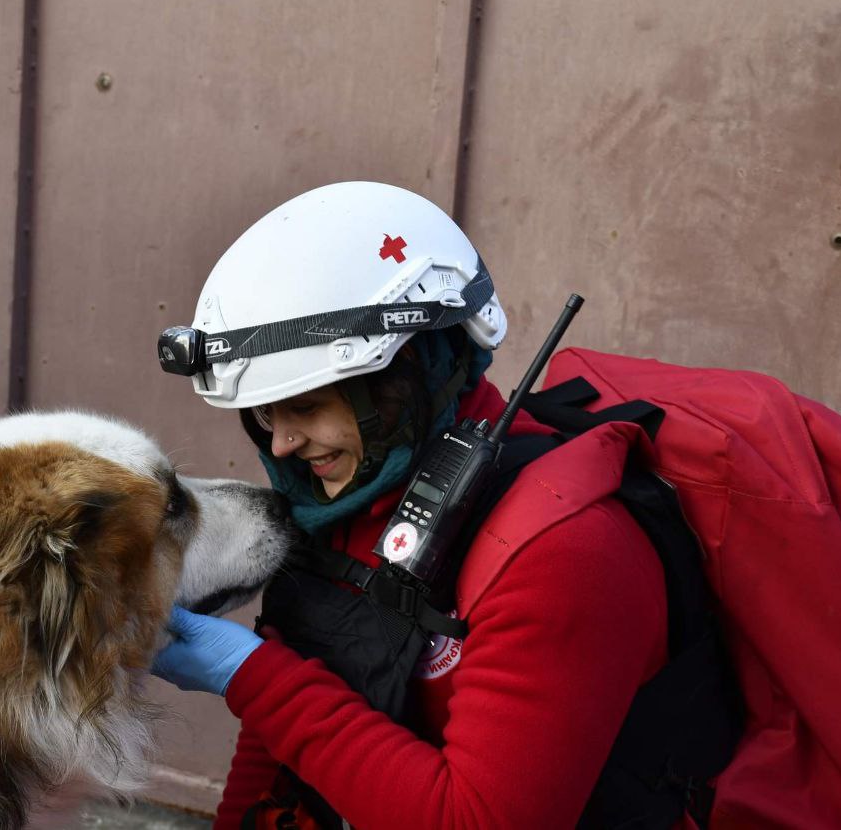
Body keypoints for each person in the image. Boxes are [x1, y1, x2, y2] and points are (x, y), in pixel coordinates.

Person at [151, 182, 690, 829]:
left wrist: (248, 672)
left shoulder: (564, 550)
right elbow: (283, 741)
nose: (284, 443)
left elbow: (475, 822)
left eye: (305, 405)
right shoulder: (355, 496)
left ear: (408, 373)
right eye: (265, 414)